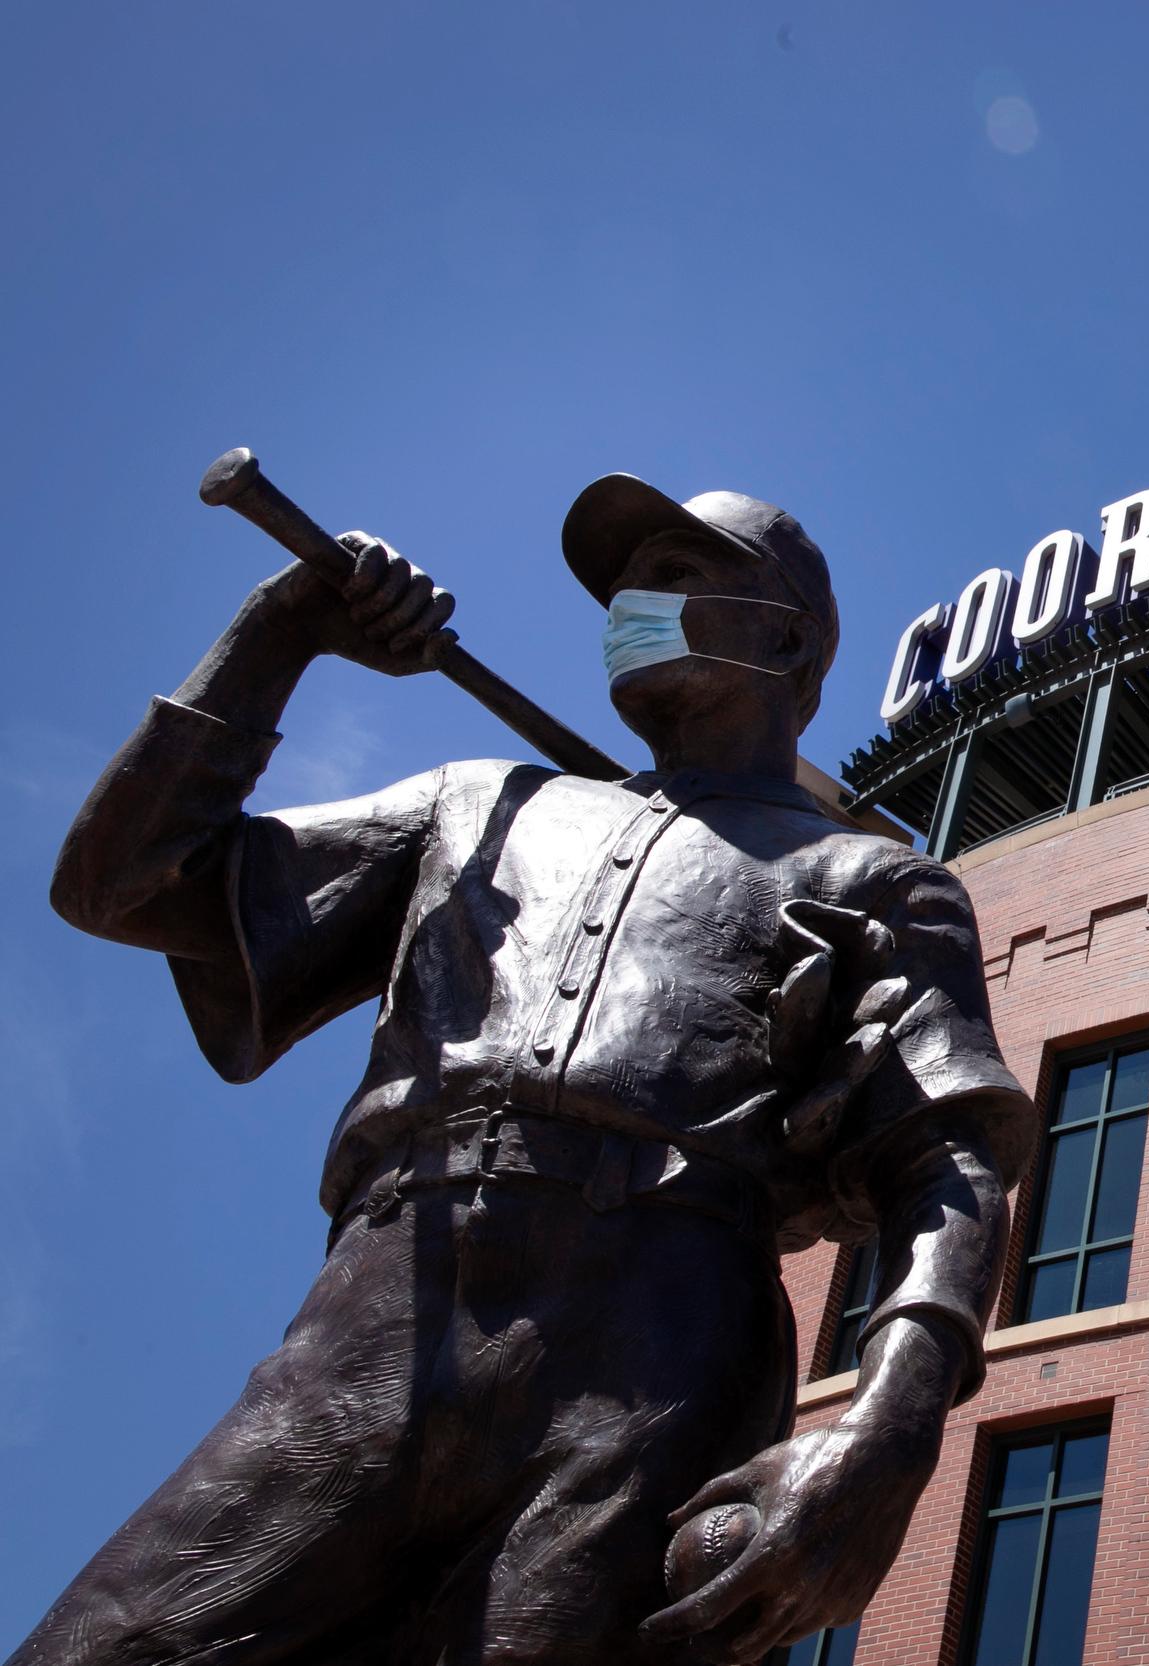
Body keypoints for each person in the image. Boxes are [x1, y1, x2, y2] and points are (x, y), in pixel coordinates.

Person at [13, 476, 1033, 1666]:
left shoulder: (867, 878)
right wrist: (278, 634)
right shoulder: (478, 805)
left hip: (656, 1349)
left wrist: (888, 1433)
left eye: (679, 577)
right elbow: (122, 882)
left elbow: (948, 1159)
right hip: (382, 1314)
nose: (631, 608)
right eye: (621, 589)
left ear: (787, 634)